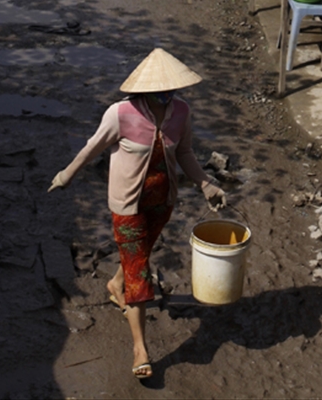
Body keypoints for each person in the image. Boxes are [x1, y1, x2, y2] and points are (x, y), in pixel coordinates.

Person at [47, 48, 225, 380]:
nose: (168, 94)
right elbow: (92, 147)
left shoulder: (182, 112)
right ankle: (140, 349)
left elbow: (184, 152)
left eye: (173, 88)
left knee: (137, 257)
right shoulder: (120, 114)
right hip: (127, 206)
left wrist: (206, 184)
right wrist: (66, 175)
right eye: (161, 89)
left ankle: (116, 285)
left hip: (162, 202)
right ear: (143, 89)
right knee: (139, 273)